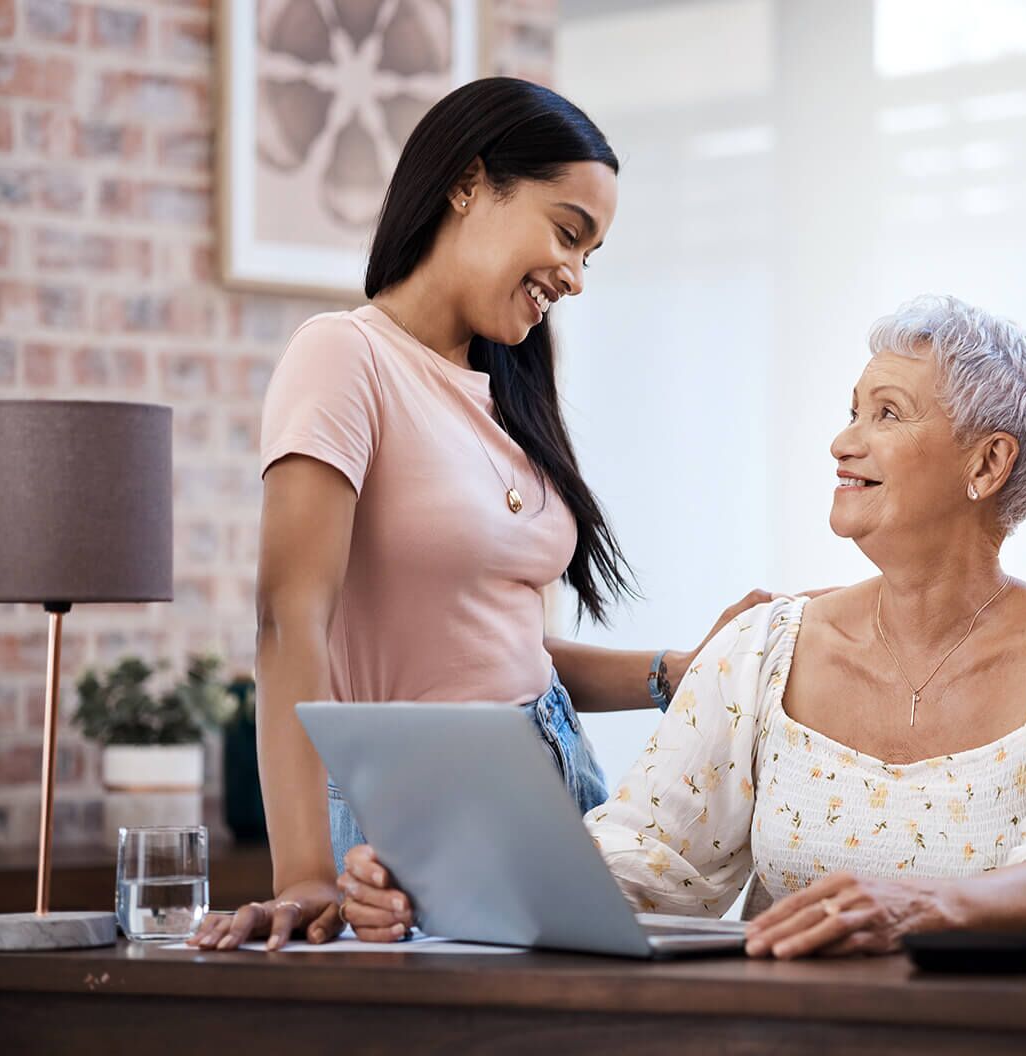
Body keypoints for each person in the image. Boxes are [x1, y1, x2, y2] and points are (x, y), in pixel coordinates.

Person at [340, 294, 1026, 956]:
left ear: (987, 463)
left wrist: (914, 903)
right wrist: (440, 884)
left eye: (888, 413)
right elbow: (642, 858)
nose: (843, 441)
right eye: (851, 410)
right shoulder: (764, 651)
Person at [190, 78, 767, 952]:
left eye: (591, 254)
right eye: (568, 232)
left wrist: (673, 673)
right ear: (469, 182)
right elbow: (287, 621)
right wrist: (302, 875)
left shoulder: (512, 397)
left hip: (560, 785)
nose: (575, 275)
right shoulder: (345, 358)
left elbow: (499, 654)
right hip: (420, 814)